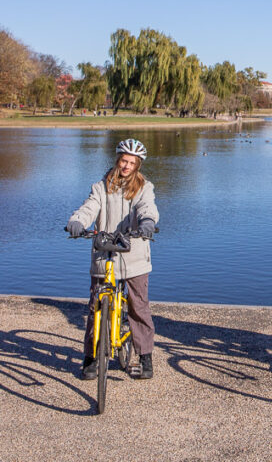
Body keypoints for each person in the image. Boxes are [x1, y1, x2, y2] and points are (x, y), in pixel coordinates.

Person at [66, 138, 159, 380]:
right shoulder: (101, 186)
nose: (127, 166)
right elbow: (89, 207)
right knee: (95, 307)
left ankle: (145, 358)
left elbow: (147, 207)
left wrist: (148, 223)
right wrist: (77, 221)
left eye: (132, 162)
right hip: (103, 252)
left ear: (137, 165)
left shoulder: (143, 187)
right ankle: (91, 358)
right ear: (117, 160)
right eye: (124, 161)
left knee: (138, 307)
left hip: (134, 254)